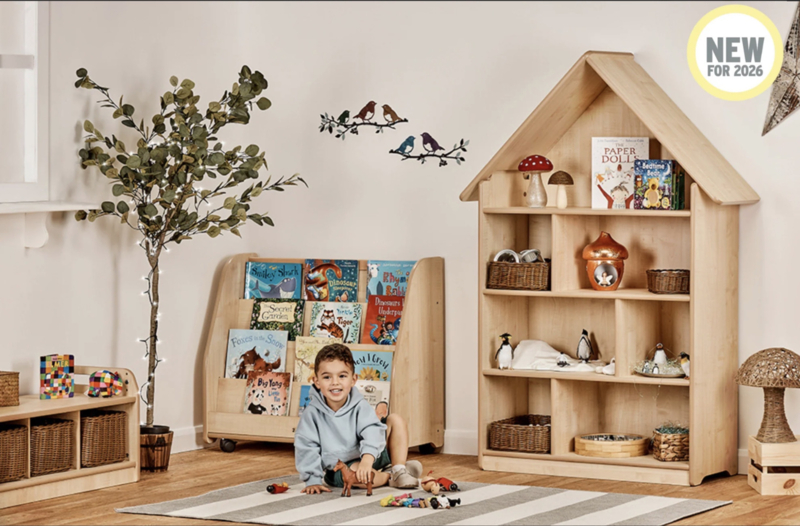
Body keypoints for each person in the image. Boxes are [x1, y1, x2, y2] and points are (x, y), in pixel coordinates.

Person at [294, 343, 422, 494]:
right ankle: (391, 476)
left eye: (342, 376)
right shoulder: (311, 414)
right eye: (327, 377)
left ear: (353, 379)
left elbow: (372, 430)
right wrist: (312, 480)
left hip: (370, 455)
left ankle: (399, 469)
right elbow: (306, 446)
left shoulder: (360, 405)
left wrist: (367, 459)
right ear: (317, 381)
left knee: (396, 420)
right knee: (360, 478)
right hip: (341, 466)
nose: (335, 382)